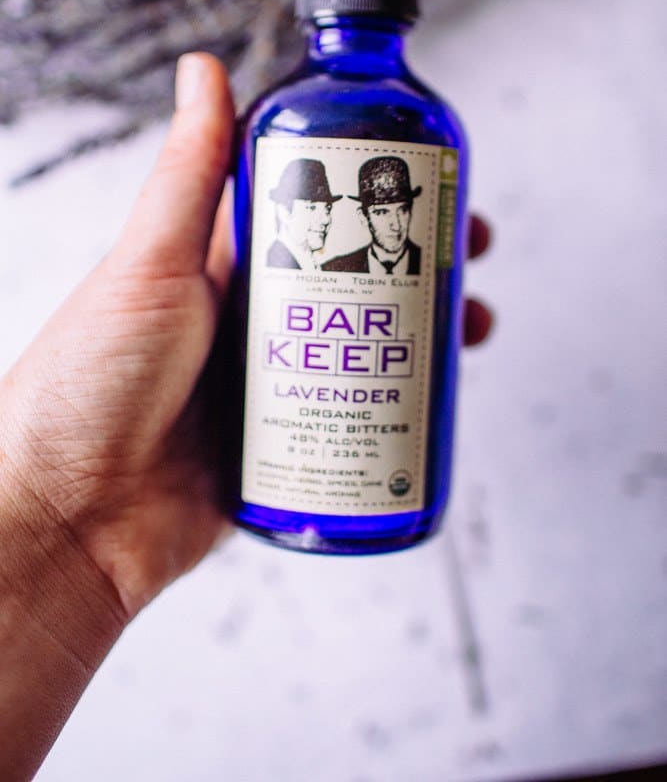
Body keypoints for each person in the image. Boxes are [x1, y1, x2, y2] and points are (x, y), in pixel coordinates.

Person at [0, 53, 492, 781]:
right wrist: (51, 514)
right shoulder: (284, 119)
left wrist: (65, 544)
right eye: (368, 211)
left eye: (396, 210)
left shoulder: (406, 125)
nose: (385, 223)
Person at [323, 156, 422, 275]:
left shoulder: (427, 260)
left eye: (403, 210)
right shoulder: (336, 268)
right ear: (363, 217)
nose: (396, 226)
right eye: (382, 212)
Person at [267, 158, 342, 269]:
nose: (326, 220)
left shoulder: (311, 266)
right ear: (284, 212)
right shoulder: (273, 263)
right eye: (311, 207)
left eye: (328, 208)